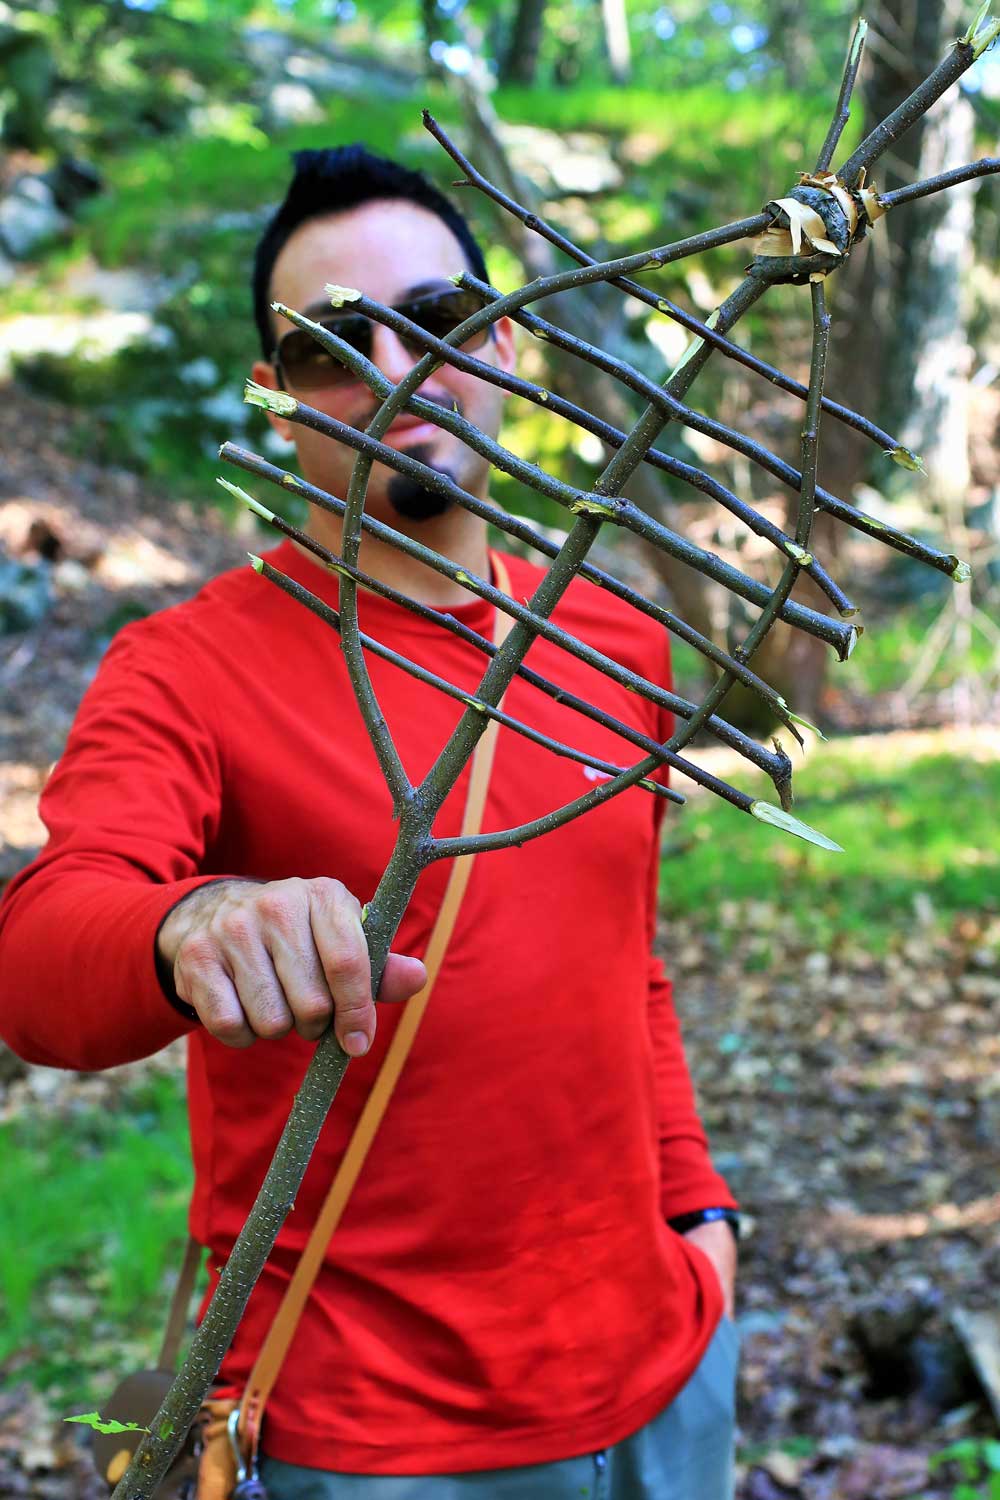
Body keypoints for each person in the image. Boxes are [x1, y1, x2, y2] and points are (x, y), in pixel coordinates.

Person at [0, 146, 740, 1499]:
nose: (399, 367)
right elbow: (40, 961)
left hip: (666, 1381)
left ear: (504, 341)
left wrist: (701, 1214)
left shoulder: (617, 641)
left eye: (442, 318)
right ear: (278, 400)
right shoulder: (185, 669)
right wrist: (193, 922)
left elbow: (624, 961)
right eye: (336, 345)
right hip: (367, 1437)